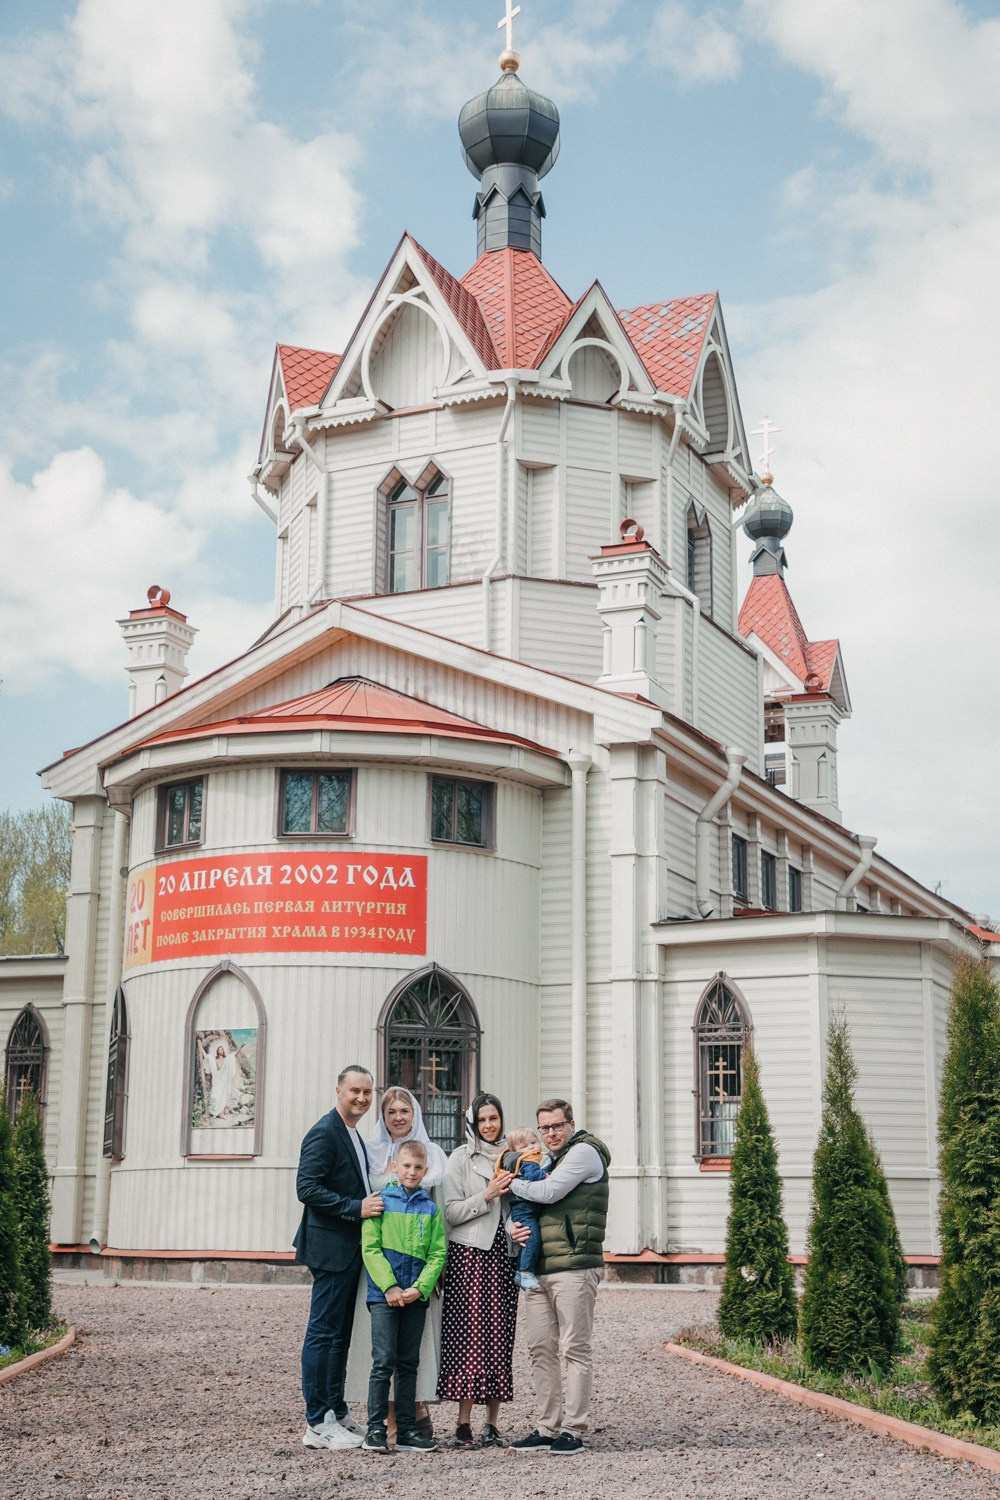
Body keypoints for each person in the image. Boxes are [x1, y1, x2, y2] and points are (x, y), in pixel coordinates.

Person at [508, 1098, 611, 1457]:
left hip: (575, 1266)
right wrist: (513, 1226)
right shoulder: (549, 1158)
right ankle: (547, 1427)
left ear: (570, 1124)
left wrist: (510, 1185)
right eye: (545, 1128)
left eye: (557, 1126)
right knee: (540, 1348)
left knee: (575, 1348)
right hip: (540, 1267)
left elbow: (548, 1192)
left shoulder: (584, 1153)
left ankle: (574, 1428)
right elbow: (529, 1210)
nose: (550, 1133)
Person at [344, 1087, 447, 1435]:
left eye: (405, 1110)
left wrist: (432, 1276)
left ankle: (413, 1411)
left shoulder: (430, 1153)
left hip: (418, 1264)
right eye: (391, 1111)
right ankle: (383, 1419)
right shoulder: (371, 1152)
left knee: (412, 1349)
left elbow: (440, 1214)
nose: (398, 1117)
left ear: (414, 1114)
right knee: (381, 1349)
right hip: (380, 1267)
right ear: (383, 1117)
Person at [293, 1065, 384, 1452]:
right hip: (330, 1248)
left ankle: (336, 1409)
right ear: (338, 1091)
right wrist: (355, 1207)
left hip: (349, 1250)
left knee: (340, 1337)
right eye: (354, 1091)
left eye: (367, 1092)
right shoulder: (324, 1132)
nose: (361, 1098)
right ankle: (316, 1421)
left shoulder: (354, 1134)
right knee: (323, 1334)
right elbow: (307, 1187)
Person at [436, 1092, 517, 1449]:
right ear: (472, 1123)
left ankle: (492, 1424)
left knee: (498, 1338)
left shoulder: (513, 1155)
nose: (488, 1125)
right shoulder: (460, 1157)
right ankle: (462, 1423)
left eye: (493, 1118)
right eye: (482, 1119)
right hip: (469, 1254)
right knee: (467, 1339)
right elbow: (450, 1212)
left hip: (504, 1254)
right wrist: (486, 1195)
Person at [360, 1139, 447, 1453]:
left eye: (418, 1167)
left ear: (425, 1171)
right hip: (383, 1296)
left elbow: (438, 1254)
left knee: (409, 1363)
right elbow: (370, 1249)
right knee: (383, 1362)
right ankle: (375, 1429)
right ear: (395, 1167)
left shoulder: (431, 1209)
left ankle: (408, 1429)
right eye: (406, 1166)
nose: (412, 1172)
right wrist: (389, 1287)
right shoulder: (380, 1203)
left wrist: (420, 1288)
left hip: (415, 1297)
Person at [494, 1126, 547, 1292]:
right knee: (531, 1238)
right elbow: (533, 1176)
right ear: (515, 1151)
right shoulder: (527, 1160)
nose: (531, 1148)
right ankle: (525, 1272)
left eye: (533, 1142)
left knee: (529, 1239)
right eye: (524, 1146)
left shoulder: (531, 1158)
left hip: (525, 1209)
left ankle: (519, 1272)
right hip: (525, 1210)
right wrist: (547, 1176)